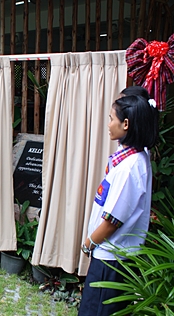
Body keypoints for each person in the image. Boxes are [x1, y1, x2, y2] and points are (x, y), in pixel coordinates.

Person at [78, 92, 159, 315]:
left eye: (111, 118)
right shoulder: (134, 156)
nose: (108, 124)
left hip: (110, 261)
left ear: (125, 124)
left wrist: (88, 243)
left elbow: (112, 221)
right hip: (113, 258)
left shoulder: (130, 167)